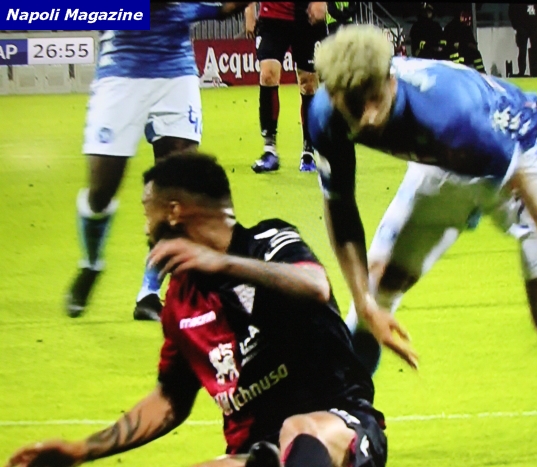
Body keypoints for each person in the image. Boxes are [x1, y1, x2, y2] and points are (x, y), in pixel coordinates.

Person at [308, 25, 537, 438]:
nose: (367, 115)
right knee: (376, 287)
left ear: (390, 79)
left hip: (523, 158)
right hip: (443, 163)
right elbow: (340, 208)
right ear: (333, 94)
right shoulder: (325, 115)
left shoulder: (450, 115)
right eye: (355, 104)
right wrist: (364, 303)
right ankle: (337, 424)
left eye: (375, 99)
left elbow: (519, 183)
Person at [7, 153, 387, 467]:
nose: (146, 229)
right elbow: (169, 400)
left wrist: (221, 263)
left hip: (340, 427)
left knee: (299, 430)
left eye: (147, 213)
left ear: (174, 211)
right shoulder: (179, 301)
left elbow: (315, 285)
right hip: (256, 454)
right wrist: (81, 451)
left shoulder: (266, 243)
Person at [64, 2, 249, 322]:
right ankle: (91, 263)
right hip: (121, 71)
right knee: (101, 191)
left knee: (179, 188)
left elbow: (226, 8)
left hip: (176, 72)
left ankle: (149, 292)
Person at [247, 2, 328, 174]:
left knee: (308, 83)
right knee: (268, 74)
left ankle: (308, 151)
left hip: (306, 16)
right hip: (272, 16)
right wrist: (249, 10)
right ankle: (269, 150)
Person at [508, 3, 537, 77]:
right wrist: (516, 26)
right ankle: (524, 71)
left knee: (532, 50)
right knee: (523, 50)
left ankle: (533, 72)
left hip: (533, 26)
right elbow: (512, 10)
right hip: (525, 26)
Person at [443, 8, 485, 73]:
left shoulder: (466, 28)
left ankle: (482, 73)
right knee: (457, 56)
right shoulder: (450, 28)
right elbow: (447, 45)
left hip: (466, 53)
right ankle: (460, 72)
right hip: (454, 54)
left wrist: (470, 45)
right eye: (463, 16)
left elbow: (472, 43)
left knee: (476, 54)